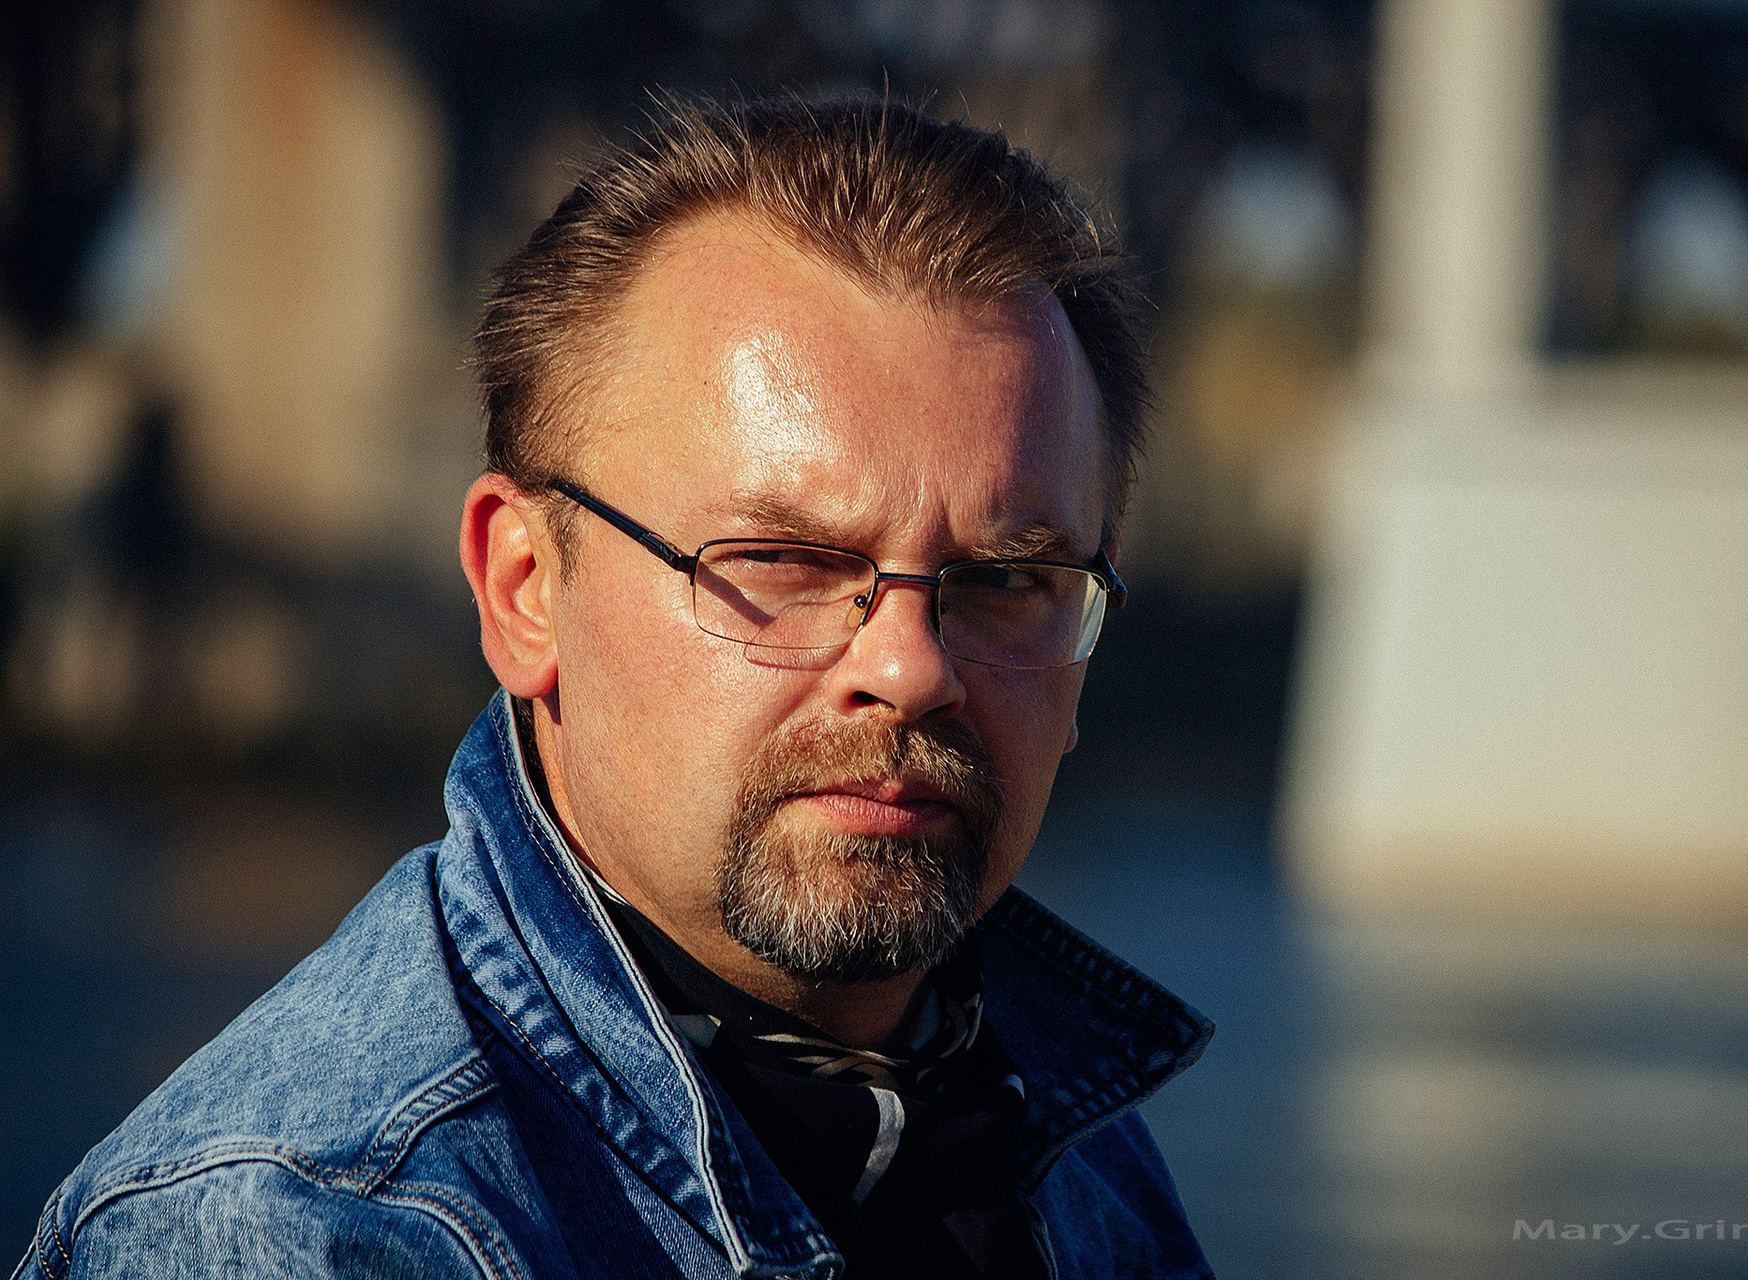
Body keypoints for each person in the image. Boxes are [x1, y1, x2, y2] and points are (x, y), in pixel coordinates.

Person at [16, 97, 1213, 1280]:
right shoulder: (304, 1231)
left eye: (1005, 578)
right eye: (784, 561)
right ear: (525, 588)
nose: (911, 666)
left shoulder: (1069, 1143)